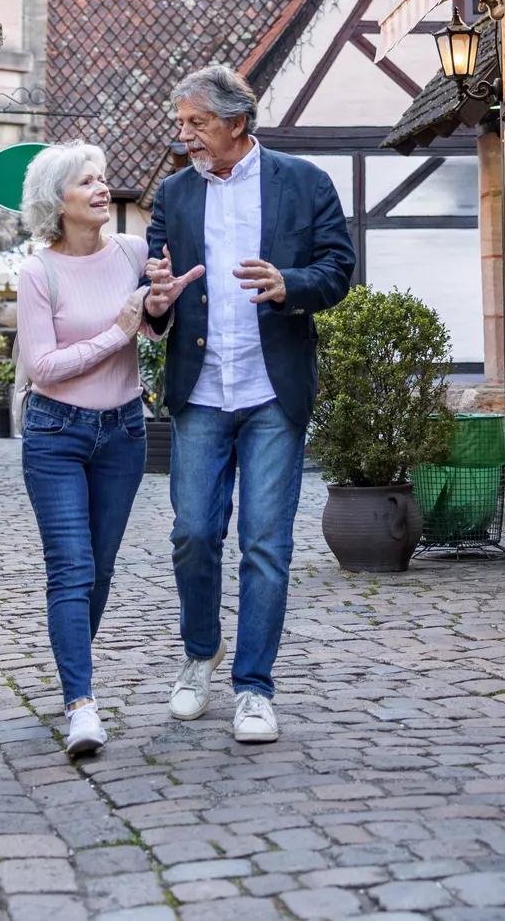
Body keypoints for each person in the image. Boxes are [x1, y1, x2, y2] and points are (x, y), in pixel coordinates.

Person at [143, 64, 354, 743]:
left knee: (266, 543)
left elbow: (338, 268)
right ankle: (199, 654)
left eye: (195, 124)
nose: (185, 137)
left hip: (272, 390)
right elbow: (153, 282)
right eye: (181, 125)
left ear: (236, 122)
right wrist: (155, 298)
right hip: (200, 389)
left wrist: (288, 283)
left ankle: (254, 686)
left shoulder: (306, 183)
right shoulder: (172, 194)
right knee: (193, 533)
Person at [11, 142, 151, 758]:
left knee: (99, 570)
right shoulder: (38, 273)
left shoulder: (135, 253)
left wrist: (155, 312)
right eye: (86, 182)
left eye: (103, 177)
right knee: (70, 568)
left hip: (124, 433)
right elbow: (43, 366)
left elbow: (152, 318)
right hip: (55, 435)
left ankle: (74, 671)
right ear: (56, 203)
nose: (101, 188)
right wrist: (116, 334)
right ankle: (82, 705)